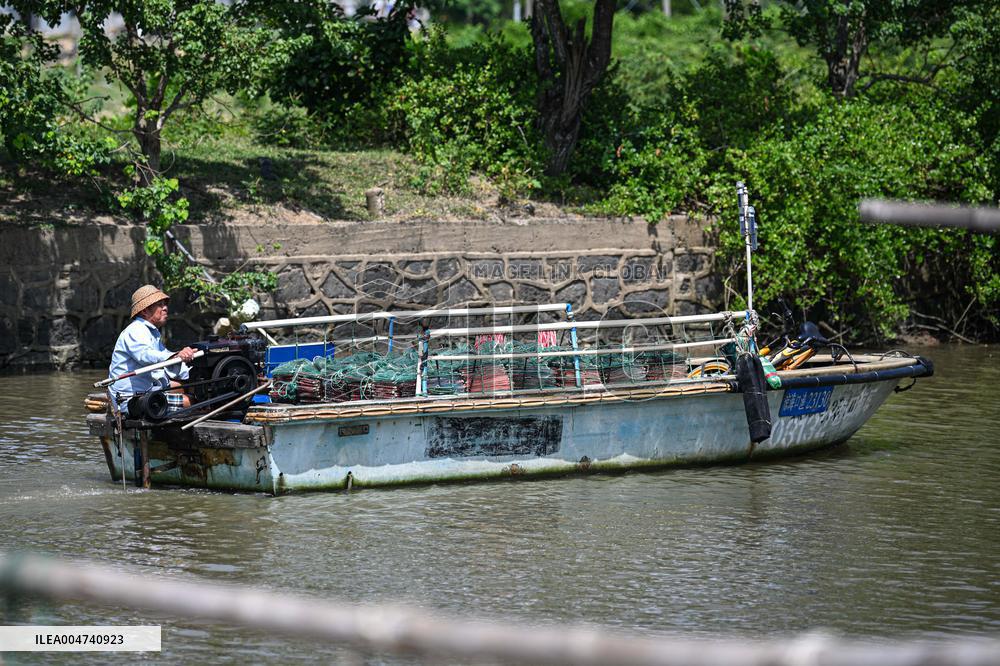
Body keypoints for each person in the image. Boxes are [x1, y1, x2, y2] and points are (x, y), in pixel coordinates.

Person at [108, 285, 197, 416]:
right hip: (130, 400)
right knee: (195, 402)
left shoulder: (152, 333)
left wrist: (191, 367)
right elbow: (146, 356)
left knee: (191, 386)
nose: (165, 308)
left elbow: (165, 362)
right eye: (160, 305)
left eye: (165, 304)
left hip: (147, 389)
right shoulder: (136, 330)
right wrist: (175, 356)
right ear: (144, 311)